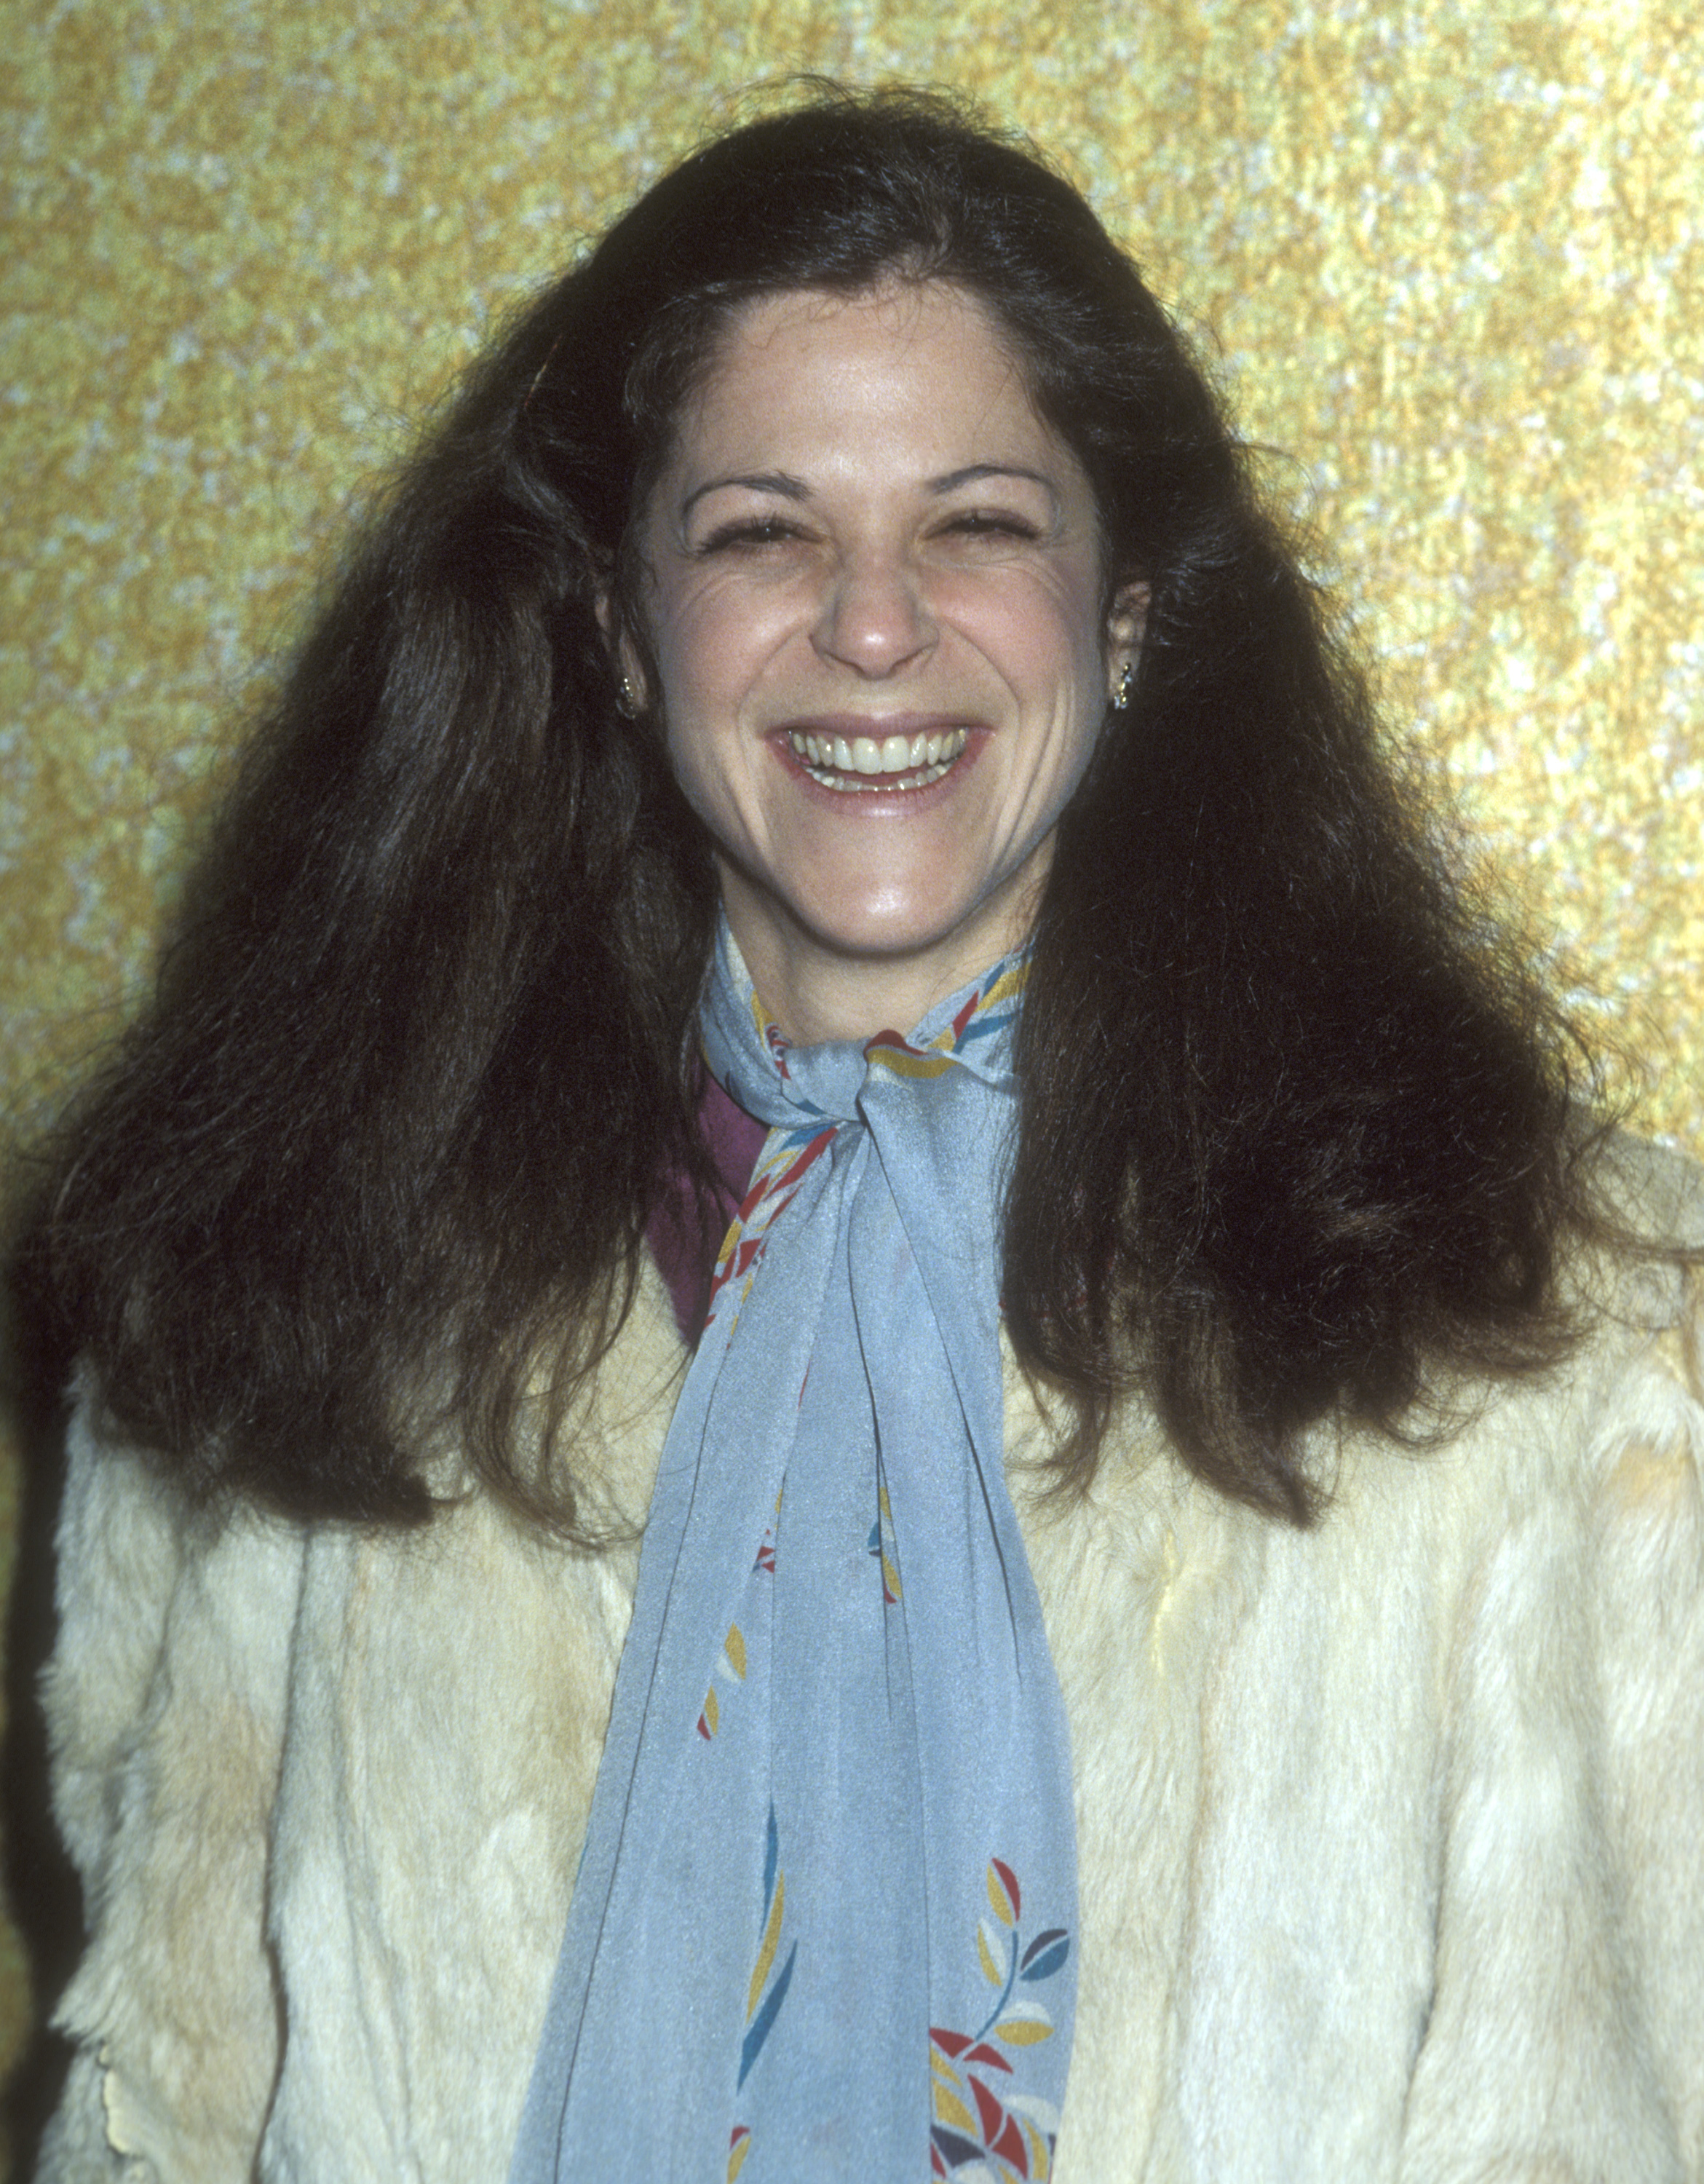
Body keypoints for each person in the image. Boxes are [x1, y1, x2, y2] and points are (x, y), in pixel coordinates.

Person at [21, 86, 1704, 2184]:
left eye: (979, 521)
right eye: (762, 531)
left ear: (1129, 614)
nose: (876, 621)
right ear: (625, 635)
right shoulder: (309, 1295)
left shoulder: (1549, 1340)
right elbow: (164, 2110)